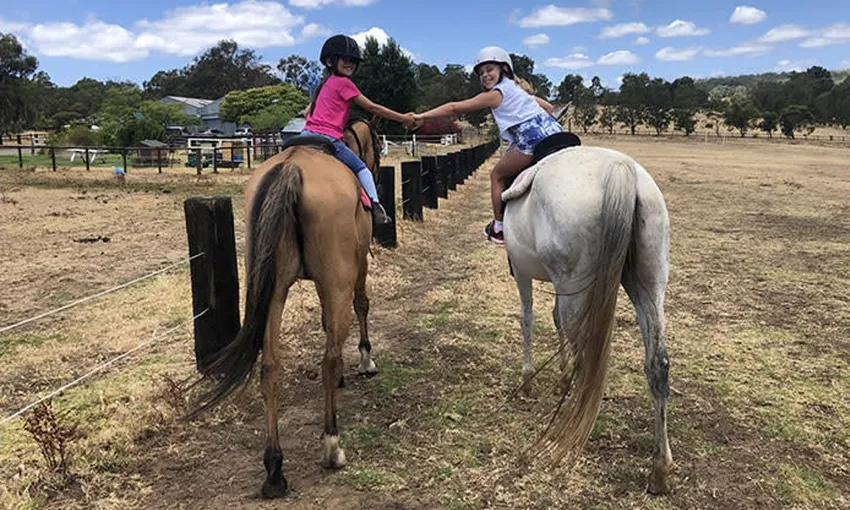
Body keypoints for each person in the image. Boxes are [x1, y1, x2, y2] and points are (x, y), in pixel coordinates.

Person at [412, 47, 562, 244]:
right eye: (481, 72)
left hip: (530, 140)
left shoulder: (495, 94)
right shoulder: (518, 90)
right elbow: (549, 108)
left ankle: (499, 227)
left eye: (490, 69)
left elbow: (454, 108)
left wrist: (421, 116)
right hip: (558, 133)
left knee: (497, 175)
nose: (485, 75)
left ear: (503, 69)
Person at [302, 34, 417, 224]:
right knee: (361, 168)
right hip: (329, 139)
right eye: (344, 59)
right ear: (330, 61)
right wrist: (403, 118)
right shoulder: (345, 83)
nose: (350, 63)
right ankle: (376, 206)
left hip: (305, 135)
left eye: (353, 60)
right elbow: (373, 108)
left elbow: (307, 112)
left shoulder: (324, 84)